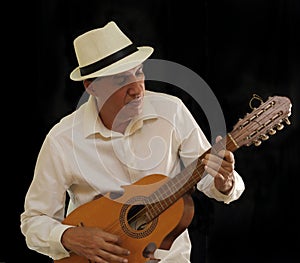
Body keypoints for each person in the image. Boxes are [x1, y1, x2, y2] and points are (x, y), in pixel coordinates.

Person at [21, 21, 245, 263]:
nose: (137, 89)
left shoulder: (172, 112)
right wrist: (68, 237)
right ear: (92, 87)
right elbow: (34, 220)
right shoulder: (62, 139)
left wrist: (225, 181)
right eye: (120, 80)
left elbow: (212, 180)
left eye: (138, 72)